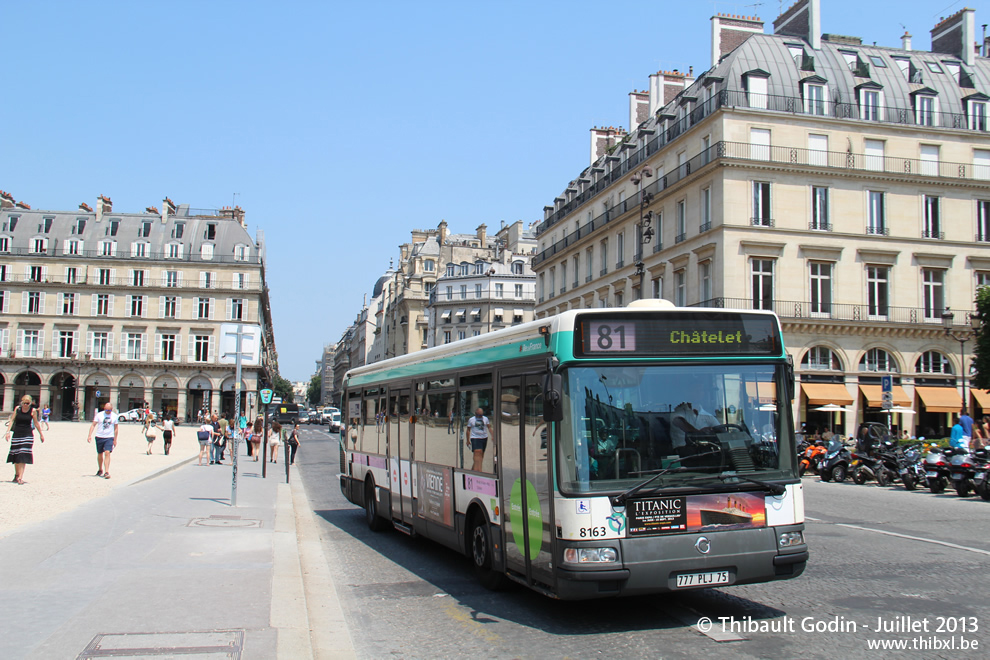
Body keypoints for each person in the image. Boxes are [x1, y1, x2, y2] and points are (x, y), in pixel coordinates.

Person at [5, 395, 46, 485]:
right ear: (21, 402)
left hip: (27, 434)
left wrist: (41, 434)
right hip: (17, 434)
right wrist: (7, 432)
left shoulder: (33, 411)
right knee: (16, 454)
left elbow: (36, 423)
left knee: (23, 455)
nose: (25, 405)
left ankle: (20, 477)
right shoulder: (18, 409)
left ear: (30, 403)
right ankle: (16, 474)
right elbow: (12, 420)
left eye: (27, 403)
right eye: (24, 403)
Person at [87, 402, 118, 479]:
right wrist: (89, 435)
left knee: (107, 452)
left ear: (111, 409)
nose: (108, 411)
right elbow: (93, 425)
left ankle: (106, 472)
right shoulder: (99, 415)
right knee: (100, 453)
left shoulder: (114, 416)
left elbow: (116, 428)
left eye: (109, 410)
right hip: (99, 436)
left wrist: (115, 439)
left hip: (109, 437)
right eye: (106, 410)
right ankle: (100, 469)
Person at [465, 407, 492, 471]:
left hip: (484, 438)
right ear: (475, 414)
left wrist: (492, 435)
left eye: (481, 415)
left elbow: (489, 427)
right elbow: (468, 430)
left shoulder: (485, 419)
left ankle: (473, 470)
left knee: (481, 455)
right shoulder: (471, 419)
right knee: (477, 452)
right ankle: (479, 471)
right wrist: (467, 440)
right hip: (475, 437)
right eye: (479, 415)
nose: (480, 416)